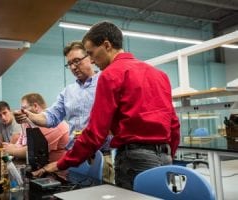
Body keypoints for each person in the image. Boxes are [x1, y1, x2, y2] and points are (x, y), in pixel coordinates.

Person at [28, 21, 180, 190]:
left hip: (134, 160)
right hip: (166, 158)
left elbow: (95, 133)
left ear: (107, 45)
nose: (92, 60)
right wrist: (168, 155)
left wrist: (61, 163)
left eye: (92, 53)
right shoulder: (160, 74)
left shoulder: (110, 75)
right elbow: (173, 124)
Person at [14, 41, 114, 182]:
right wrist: (30, 116)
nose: (73, 67)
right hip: (74, 157)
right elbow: (50, 117)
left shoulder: (105, 82)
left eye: (77, 61)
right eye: (70, 64)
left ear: (90, 58)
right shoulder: (68, 92)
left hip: (99, 156)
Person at [3, 93, 69, 163]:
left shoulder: (52, 124)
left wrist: (9, 150)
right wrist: (11, 147)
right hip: (40, 167)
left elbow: (34, 150)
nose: (21, 112)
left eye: (24, 108)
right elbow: (20, 143)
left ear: (35, 106)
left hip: (55, 172)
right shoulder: (29, 122)